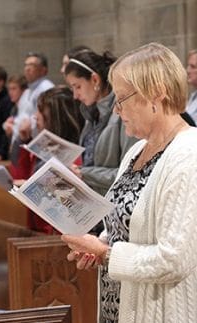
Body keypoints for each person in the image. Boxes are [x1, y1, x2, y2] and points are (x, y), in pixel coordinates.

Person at [61, 43, 197, 323]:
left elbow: (174, 259)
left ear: (156, 94)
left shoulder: (190, 158)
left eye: (122, 99)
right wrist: (98, 245)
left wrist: (107, 254)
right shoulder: (138, 149)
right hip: (122, 320)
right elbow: (122, 220)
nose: (117, 110)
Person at [64, 50, 137, 195]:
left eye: (77, 86)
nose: (75, 95)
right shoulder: (91, 113)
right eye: (72, 88)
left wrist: (84, 174)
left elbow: (130, 173)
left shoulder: (123, 113)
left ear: (95, 80)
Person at [13, 86, 85, 234]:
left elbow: (67, 205)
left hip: (55, 235)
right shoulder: (45, 146)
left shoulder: (74, 157)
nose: (35, 116)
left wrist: (30, 186)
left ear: (57, 117)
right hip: (36, 228)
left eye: (40, 111)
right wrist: (24, 141)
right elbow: (23, 175)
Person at [12, 53, 55, 166]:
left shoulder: (46, 87)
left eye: (32, 65)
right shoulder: (28, 91)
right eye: (26, 65)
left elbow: (46, 117)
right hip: (29, 140)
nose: (27, 68)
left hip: (42, 142)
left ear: (43, 70)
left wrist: (29, 124)